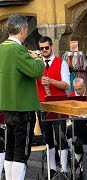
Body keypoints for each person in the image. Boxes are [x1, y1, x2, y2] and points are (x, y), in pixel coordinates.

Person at [0, 13, 44, 180]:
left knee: (10, 149)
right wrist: (38, 58)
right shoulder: (18, 49)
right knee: (21, 152)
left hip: (7, 106)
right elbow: (37, 71)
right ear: (24, 30)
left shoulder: (1, 48)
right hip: (22, 107)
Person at [36, 36, 70, 177]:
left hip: (58, 105)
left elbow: (67, 85)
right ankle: (52, 168)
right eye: (41, 48)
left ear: (51, 47)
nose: (44, 50)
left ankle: (64, 167)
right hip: (42, 105)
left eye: (46, 48)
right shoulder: (36, 64)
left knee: (61, 136)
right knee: (47, 138)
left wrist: (51, 81)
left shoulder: (61, 63)